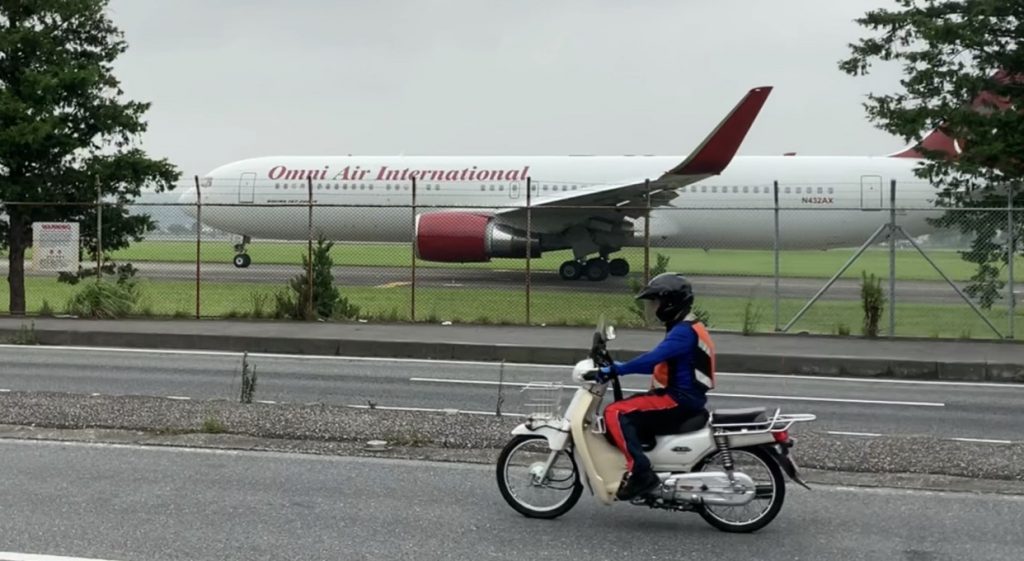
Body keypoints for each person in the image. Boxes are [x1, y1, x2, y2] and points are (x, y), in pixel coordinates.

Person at [592, 272, 716, 501]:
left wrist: (616, 369)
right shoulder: (688, 326)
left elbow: (652, 359)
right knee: (631, 407)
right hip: (685, 397)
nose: (654, 307)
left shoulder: (682, 333)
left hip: (678, 400)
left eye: (656, 302)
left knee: (615, 412)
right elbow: (660, 363)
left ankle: (641, 473)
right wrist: (620, 367)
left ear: (670, 303)